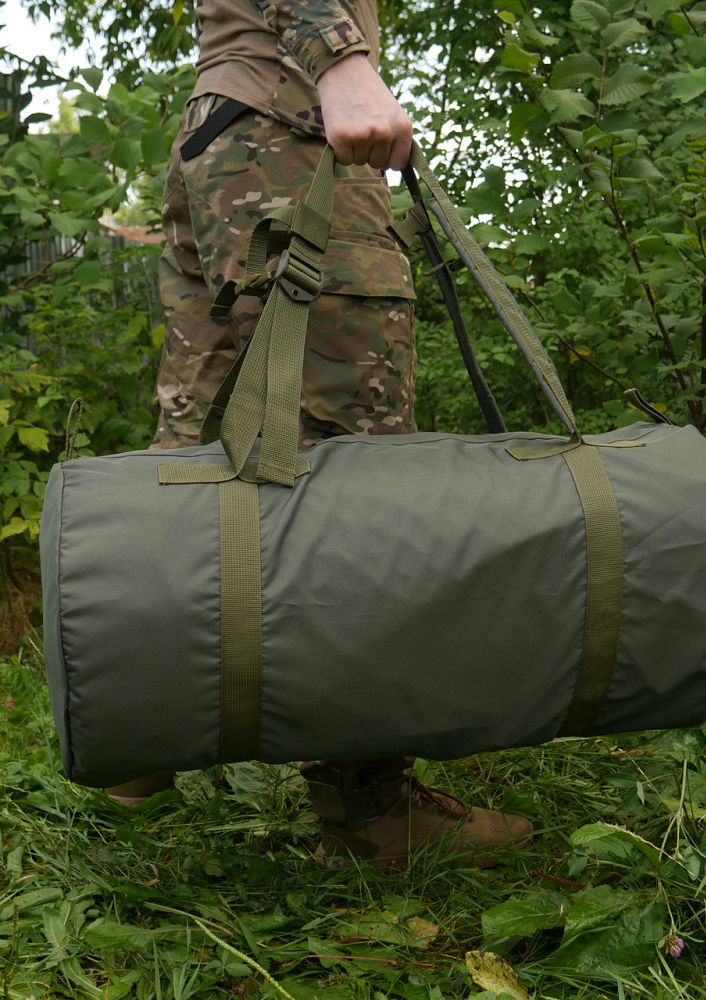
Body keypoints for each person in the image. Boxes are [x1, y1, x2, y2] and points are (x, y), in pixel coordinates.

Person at [105, 0, 533, 869]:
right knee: (353, 476)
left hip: (226, 124)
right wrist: (339, 59)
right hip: (290, 121)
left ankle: (142, 711)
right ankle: (368, 810)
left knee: (207, 433)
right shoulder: (316, 77)